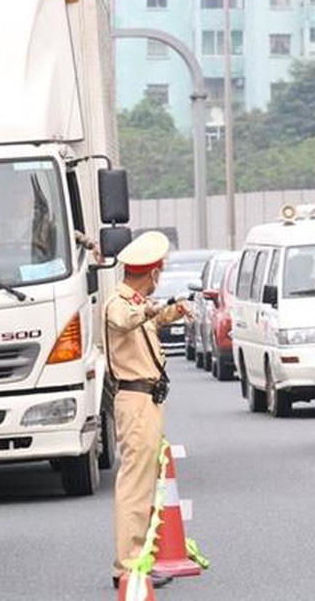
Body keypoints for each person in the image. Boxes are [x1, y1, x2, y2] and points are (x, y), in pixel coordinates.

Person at [106, 231, 189, 590]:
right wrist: (148, 309)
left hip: (148, 399)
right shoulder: (118, 302)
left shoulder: (136, 302)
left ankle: (139, 559)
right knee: (134, 487)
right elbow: (124, 320)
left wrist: (170, 312)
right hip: (135, 400)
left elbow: (147, 327)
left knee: (146, 484)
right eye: (160, 272)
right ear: (152, 272)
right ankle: (127, 566)